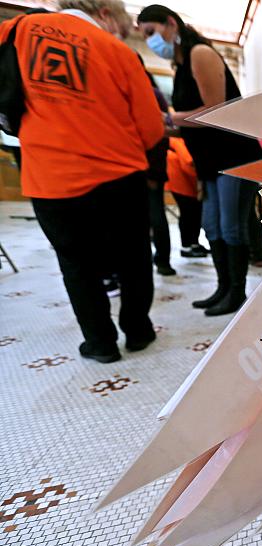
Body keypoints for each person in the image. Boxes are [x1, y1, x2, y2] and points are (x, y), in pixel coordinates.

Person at [0, 1, 164, 363]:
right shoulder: (118, 52)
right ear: (105, 13)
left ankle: (100, 343)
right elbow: (152, 129)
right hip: (120, 176)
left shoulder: (17, 31)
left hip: (50, 178)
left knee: (76, 264)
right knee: (133, 257)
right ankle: (138, 331)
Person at [138, 5, 262, 316]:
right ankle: (223, 287)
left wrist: (168, 118)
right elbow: (188, 123)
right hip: (209, 161)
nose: (150, 40)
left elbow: (214, 110)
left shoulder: (200, 53)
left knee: (231, 227)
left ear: (171, 23)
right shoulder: (179, 67)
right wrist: (166, 126)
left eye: (151, 32)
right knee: (212, 227)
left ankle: (237, 293)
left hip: (235, 155)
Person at [140, 61, 176, 276]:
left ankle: (160, 260)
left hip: (146, 164)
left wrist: (152, 169)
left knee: (152, 214)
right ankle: (161, 261)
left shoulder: (147, 94)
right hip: (151, 163)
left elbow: (159, 132)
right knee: (154, 212)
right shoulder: (155, 93)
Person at [165, 136, 206, 257]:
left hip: (180, 181)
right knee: (190, 213)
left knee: (190, 213)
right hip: (182, 182)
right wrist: (202, 176)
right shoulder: (179, 141)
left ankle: (193, 244)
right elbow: (189, 162)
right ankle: (188, 246)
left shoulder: (176, 140)